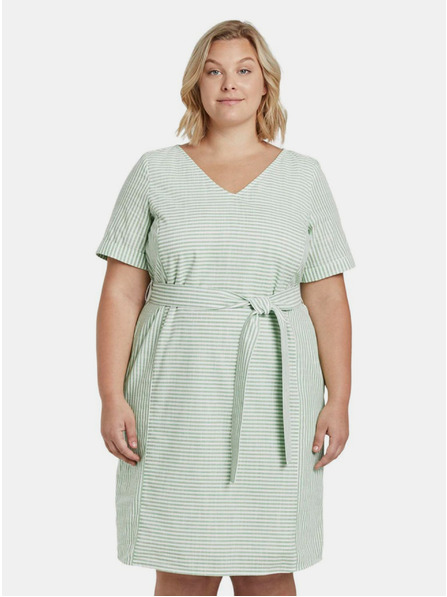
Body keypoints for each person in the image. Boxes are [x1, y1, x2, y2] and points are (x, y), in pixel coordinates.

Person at [95, 19, 356, 597]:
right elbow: (121, 292)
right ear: (197, 84)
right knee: (181, 561)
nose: (229, 83)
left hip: (276, 393)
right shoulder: (154, 172)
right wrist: (111, 394)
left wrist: (339, 398)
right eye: (214, 71)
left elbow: (326, 295)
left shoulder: (304, 178)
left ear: (266, 85)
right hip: (175, 389)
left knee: (269, 566)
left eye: (243, 70)